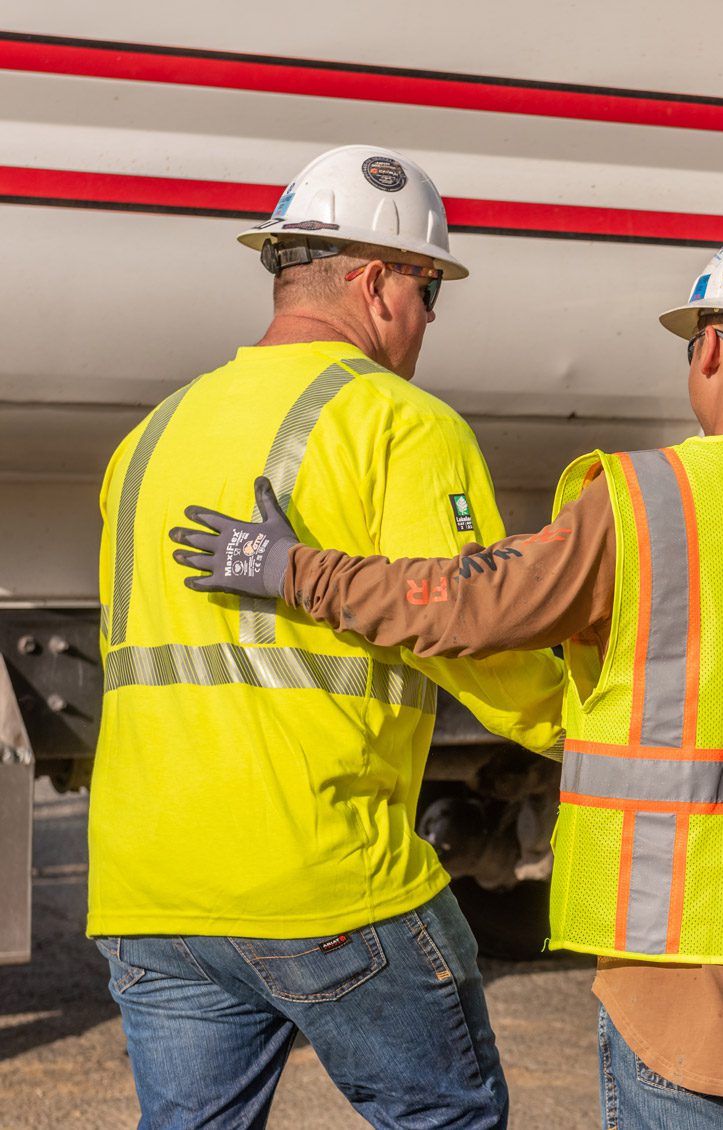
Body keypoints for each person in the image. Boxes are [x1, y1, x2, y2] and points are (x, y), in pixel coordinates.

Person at [171, 221, 723, 1130]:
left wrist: (291, 569)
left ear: (706, 351)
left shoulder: (642, 507)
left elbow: (464, 608)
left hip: (678, 975)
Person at [92, 144, 564, 1129]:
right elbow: (474, 633)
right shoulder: (399, 422)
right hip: (326, 873)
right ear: (380, 280)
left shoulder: (150, 435)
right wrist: (599, 726)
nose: (429, 320)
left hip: (148, 883)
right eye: (432, 292)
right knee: (447, 1116)